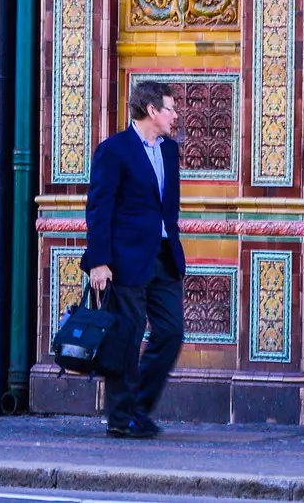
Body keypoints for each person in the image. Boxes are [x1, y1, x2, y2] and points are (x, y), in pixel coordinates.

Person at [82, 80, 185, 439]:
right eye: (170, 108)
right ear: (152, 110)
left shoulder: (169, 151)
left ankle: (138, 408)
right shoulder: (114, 150)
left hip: (163, 255)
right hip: (124, 259)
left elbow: (167, 207)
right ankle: (121, 418)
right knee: (127, 338)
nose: (175, 115)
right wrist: (99, 261)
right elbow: (99, 208)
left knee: (171, 331)